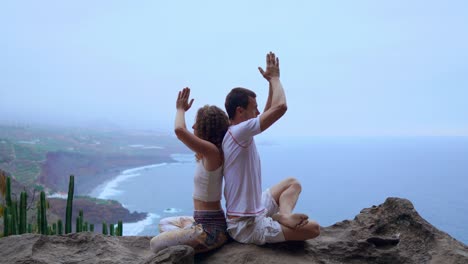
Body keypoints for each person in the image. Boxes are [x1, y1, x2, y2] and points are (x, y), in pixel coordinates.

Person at [222, 52, 320, 245]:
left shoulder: (235, 131)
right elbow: (281, 107)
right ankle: (280, 219)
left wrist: (269, 83)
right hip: (245, 226)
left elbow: (267, 112)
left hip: (255, 208)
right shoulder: (239, 132)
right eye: (254, 108)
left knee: (293, 183)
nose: (258, 112)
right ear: (240, 111)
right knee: (313, 229)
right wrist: (275, 79)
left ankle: (283, 216)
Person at [150, 87, 230, 254]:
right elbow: (184, 132)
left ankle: (201, 242)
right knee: (164, 223)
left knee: (155, 244)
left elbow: (180, 131)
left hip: (211, 229)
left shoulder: (213, 153)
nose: (193, 126)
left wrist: (180, 109)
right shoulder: (206, 154)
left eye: (197, 123)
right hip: (199, 221)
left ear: (206, 128)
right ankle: (193, 239)